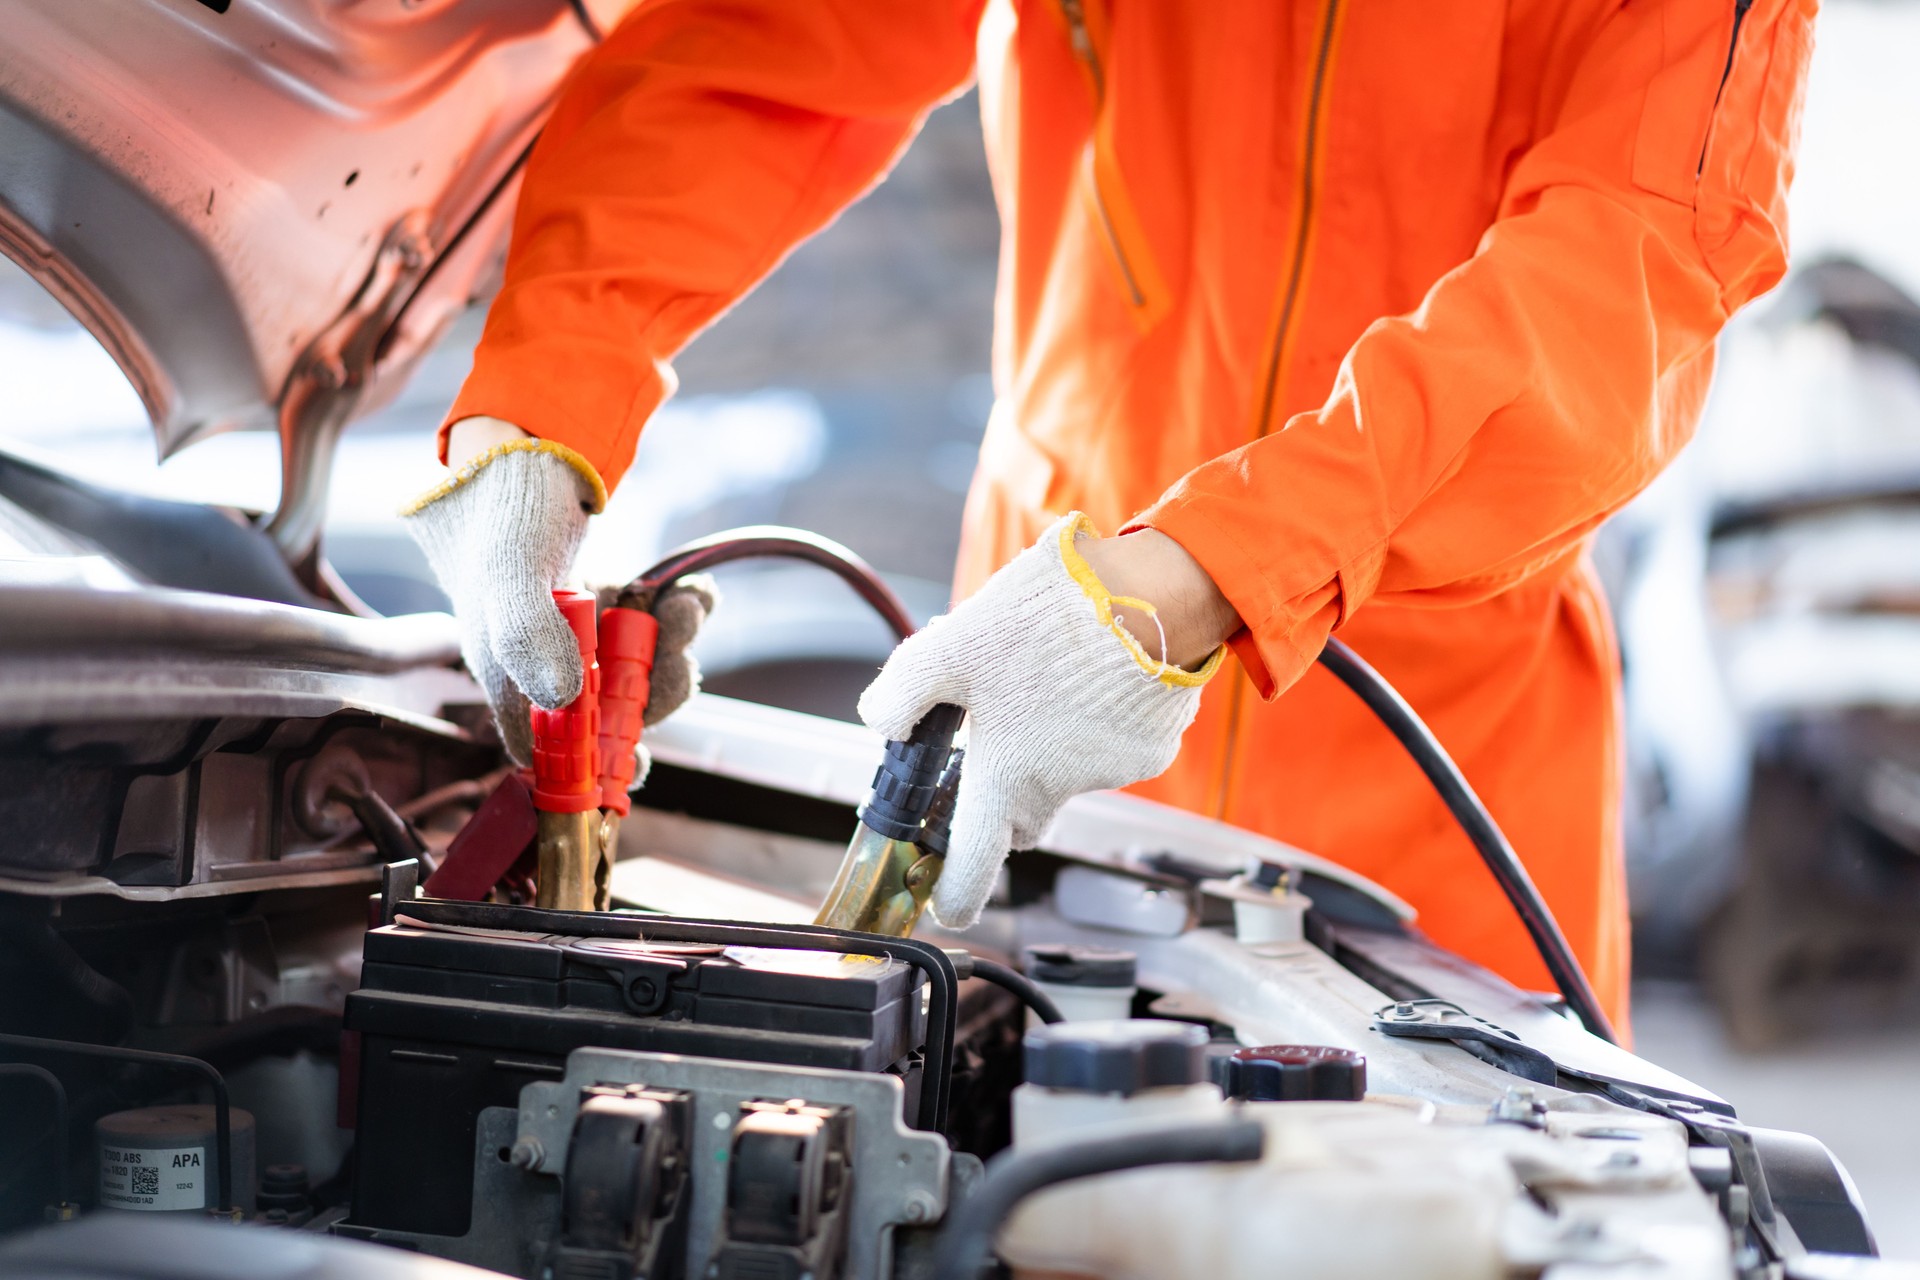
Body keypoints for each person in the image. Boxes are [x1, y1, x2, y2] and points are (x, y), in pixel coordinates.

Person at [403, 0, 1816, 1033]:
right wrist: (536, 403)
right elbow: (763, 48)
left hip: (1438, 784)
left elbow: (1627, 264)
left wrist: (1213, 571)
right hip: (1028, 723)